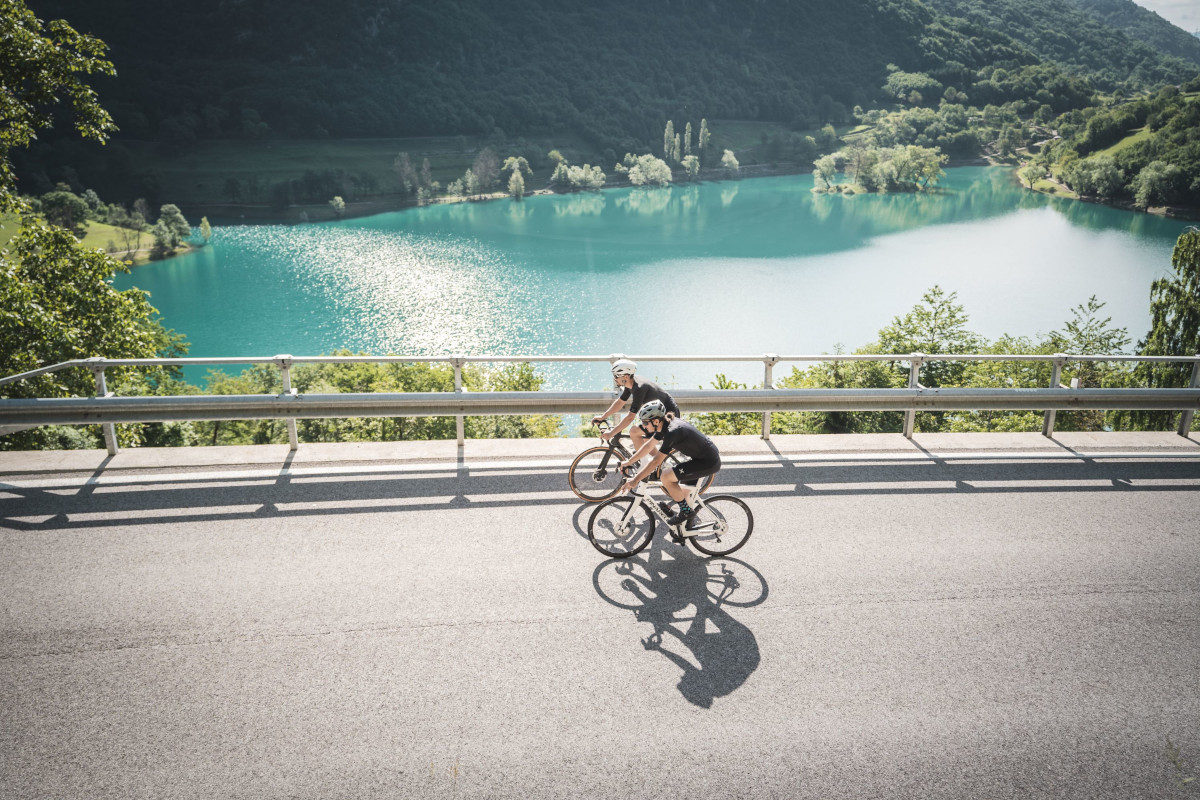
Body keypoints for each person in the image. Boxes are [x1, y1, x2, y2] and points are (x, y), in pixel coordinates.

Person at [618, 400, 721, 531]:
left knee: (666, 476)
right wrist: (629, 462)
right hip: (701, 458)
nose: (643, 426)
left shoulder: (672, 432)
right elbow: (648, 445)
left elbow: (655, 462)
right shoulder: (664, 425)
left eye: (645, 423)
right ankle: (685, 530)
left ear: (655, 421)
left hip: (707, 462)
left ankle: (686, 512)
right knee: (680, 491)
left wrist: (635, 480)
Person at [590, 359, 680, 460]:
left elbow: (630, 417)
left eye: (616, 376)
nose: (614, 379)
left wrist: (612, 433)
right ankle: (657, 465)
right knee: (640, 436)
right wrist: (603, 417)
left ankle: (651, 465)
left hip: (668, 416)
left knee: (635, 432)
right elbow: (620, 402)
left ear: (626, 376)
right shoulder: (631, 383)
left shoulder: (639, 388)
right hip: (657, 415)